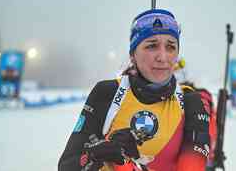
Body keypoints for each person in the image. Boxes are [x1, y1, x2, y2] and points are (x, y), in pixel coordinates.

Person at [58, 9, 210, 171]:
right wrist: (93, 156)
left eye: (171, 47)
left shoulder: (190, 101)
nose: (162, 57)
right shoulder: (108, 92)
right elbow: (67, 166)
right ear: (133, 54)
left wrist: (128, 163)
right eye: (152, 46)